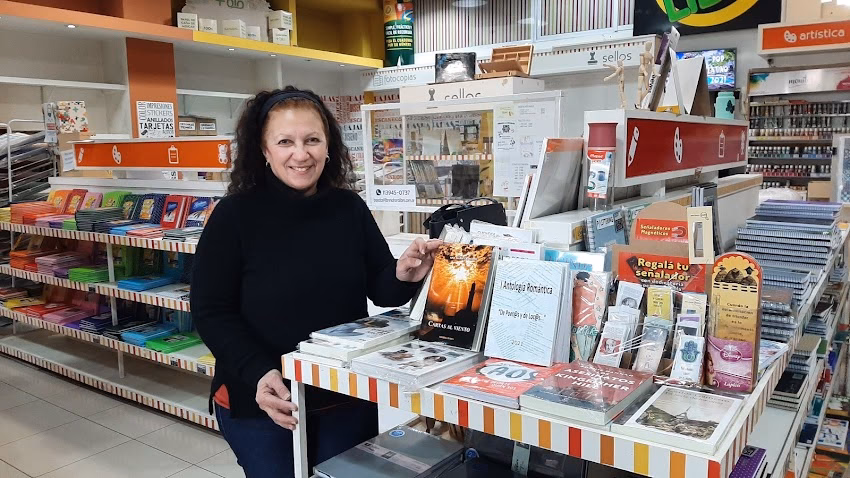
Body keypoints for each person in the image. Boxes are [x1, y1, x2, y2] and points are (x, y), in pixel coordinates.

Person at [191, 86, 442, 478]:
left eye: (312, 140)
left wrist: (403, 273)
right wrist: (259, 371)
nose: (301, 153)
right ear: (263, 149)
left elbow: (380, 287)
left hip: (343, 394)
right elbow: (211, 311)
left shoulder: (348, 208)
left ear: (329, 146)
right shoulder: (235, 216)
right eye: (285, 141)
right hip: (264, 399)